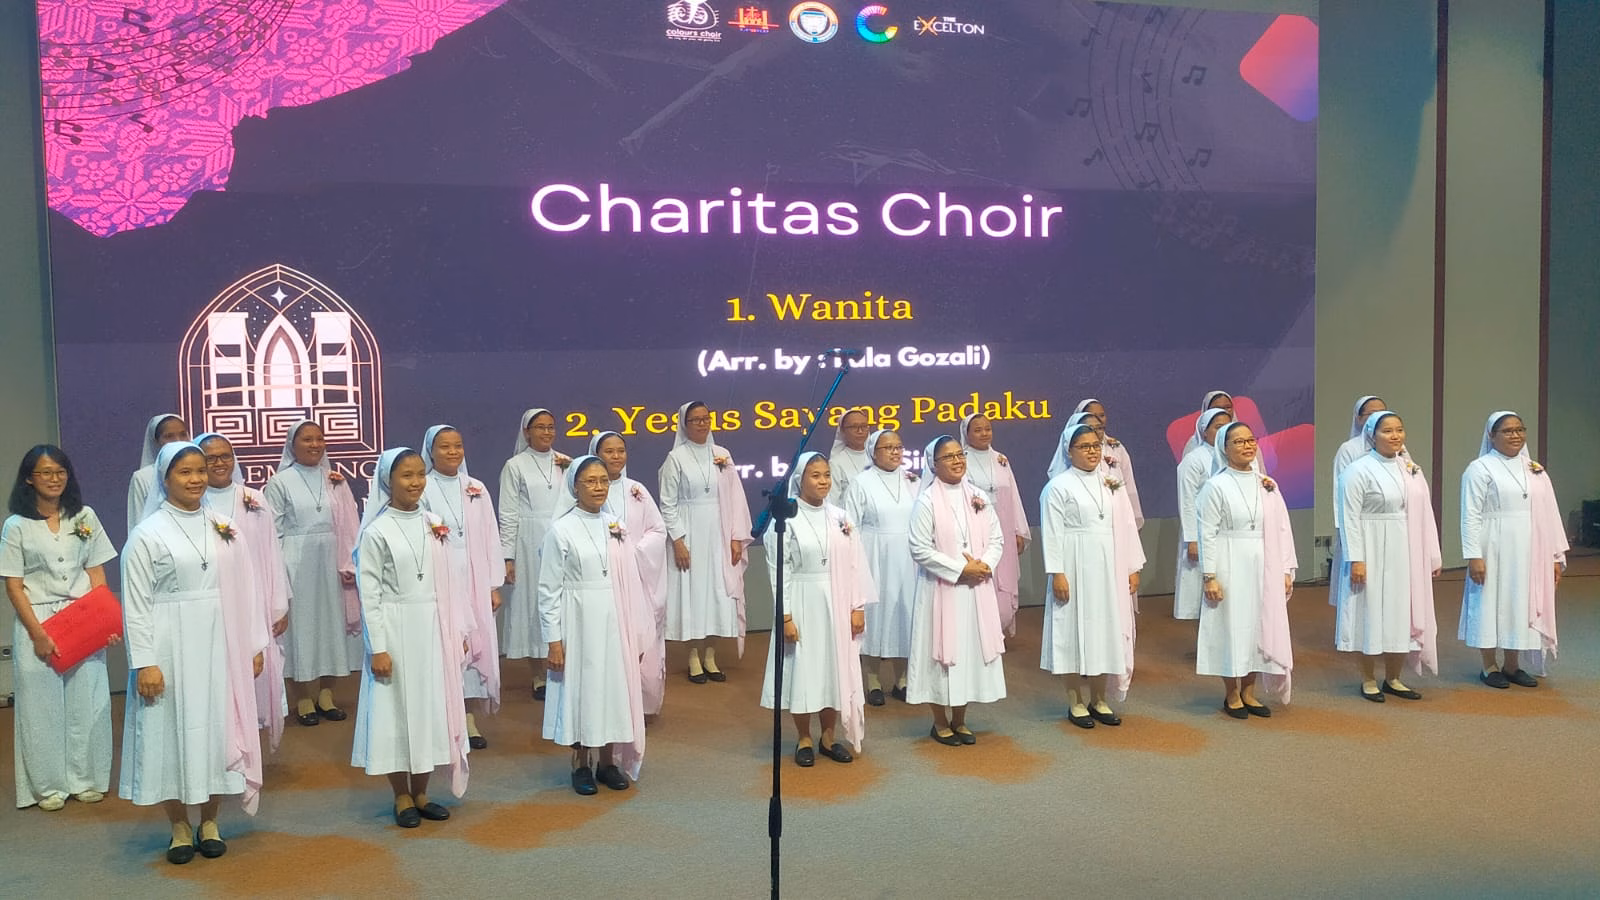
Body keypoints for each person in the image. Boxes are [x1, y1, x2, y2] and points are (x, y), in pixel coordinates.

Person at [120, 442, 266, 864]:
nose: (196, 478)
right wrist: (145, 661)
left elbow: (248, 588)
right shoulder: (147, 534)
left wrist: (253, 644)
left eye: (200, 470)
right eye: (185, 472)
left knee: (217, 727)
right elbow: (136, 604)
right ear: (165, 479)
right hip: (168, 646)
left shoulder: (226, 527)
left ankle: (211, 821)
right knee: (172, 730)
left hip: (220, 644)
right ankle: (180, 826)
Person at [351, 448, 472, 826]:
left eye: (420, 474)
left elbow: (452, 582)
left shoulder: (434, 523)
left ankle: (421, 792)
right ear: (388, 481)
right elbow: (370, 595)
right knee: (396, 711)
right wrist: (378, 647)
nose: (416, 482)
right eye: (406, 475)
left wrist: (458, 630)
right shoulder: (376, 531)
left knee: (429, 708)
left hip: (433, 629)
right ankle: (400, 794)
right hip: (395, 628)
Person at [2, 445, 117, 811]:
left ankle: (87, 778)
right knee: (42, 707)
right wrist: (37, 634)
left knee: (89, 701)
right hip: (38, 621)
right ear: (29, 478)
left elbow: (96, 572)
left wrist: (104, 621)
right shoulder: (16, 525)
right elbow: (14, 586)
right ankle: (49, 785)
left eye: (60, 472)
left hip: (81, 615)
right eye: (45, 472)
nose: (54, 479)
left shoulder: (84, 516)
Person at [538, 457, 649, 795]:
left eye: (603, 481)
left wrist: (636, 633)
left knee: (612, 688)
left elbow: (631, 581)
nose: (599, 487)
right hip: (578, 620)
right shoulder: (561, 530)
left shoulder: (616, 525)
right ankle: (581, 762)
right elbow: (548, 589)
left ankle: (607, 761)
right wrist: (553, 640)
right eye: (590, 481)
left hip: (615, 620)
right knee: (583, 689)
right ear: (575, 486)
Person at [762, 453, 871, 766]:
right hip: (802, 600)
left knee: (833, 670)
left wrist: (857, 606)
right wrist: (785, 616)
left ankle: (828, 737)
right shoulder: (785, 520)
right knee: (804, 671)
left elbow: (855, 565)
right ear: (800, 479)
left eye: (826, 475)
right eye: (815, 475)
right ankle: (804, 738)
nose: (823, 481)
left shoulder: (840, 517)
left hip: (837, 601)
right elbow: (779, 570)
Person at [1040, 424, 1144, 728]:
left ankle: (1099, 699)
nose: (1092, 451)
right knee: (1072, 629)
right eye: (1084, 446)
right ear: (1069, 451)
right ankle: (1075, 701)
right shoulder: (1058, 486)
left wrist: (1132, 567)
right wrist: (1057, 572)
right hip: (1073, 563)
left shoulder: (1112, 483)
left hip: (1109, 566)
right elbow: (1052, 534)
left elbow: (1127, 527)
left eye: (1095, 445)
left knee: (1105, 629)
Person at [907, 435, 1006, 745]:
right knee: (941, 655)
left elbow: (997, 539)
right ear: (933, 465)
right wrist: (960, 569)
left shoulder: (978, 496)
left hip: (975, 589)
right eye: (948, 457)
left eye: (959, 454)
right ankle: (940, 722)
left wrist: (984, 565)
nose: (957, 460)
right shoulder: (926, 501)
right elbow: (919, 548)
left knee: (967, 654)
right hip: (941, 589)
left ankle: (960, 720)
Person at [1336, 412, 1440, 702]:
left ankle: (1394, 678)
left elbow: (1426, 513)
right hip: (1370, 545)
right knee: (1368, 610)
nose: (1395, 436)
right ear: (1372, 435)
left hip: (1404, 547)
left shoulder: (1411, 469)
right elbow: (1349, 518)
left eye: (1399, 430)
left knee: (1401, 610)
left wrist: (1431, 554)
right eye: (1387, 431)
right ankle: (1368, 679)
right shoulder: (1357, 470)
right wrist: (1356, 559)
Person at [1459, 411, 1567, 689]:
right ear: (1491, 435)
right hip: (1493, 545)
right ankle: (1488, 666)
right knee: (1490, 602)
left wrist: (1555, 556)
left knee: (1520, 601)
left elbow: (1551, 514)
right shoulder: (1479, 468)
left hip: (1530, 549)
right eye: (1507, 431)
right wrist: (1474, 555)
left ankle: (1512, 665)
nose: (1516, 435)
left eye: (1520, 429)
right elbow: (1470, 515)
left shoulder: (1535, 469)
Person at [197, 433, 291, 751]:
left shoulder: (254, 498)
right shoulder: (195, 503)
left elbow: (272, 552)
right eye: (210, 458)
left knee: (256, 671)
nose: (219, 463)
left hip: (255, 601)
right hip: (214, 599)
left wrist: (279, 605)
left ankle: (249, 747)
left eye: (225, 456)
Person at [1195, 423, 1296, 718]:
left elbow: (1283, 528)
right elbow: (1207, 533)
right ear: (1224, 448)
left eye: (1251, 440)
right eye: (1239, 442)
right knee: (1231, 625)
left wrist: (1285, 569)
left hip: (1264, 563)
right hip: (1228, 561)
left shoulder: (1267, 484)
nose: (1247, 446)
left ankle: (1250, 692)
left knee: (1257, 625)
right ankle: (1231, 693)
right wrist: (1209, 576)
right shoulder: (1215, 486)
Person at [264, 420, 361, 726]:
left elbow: (350, 524)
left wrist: (350, 562)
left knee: (331, 626)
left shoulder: (335, 480)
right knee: (300, 629)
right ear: (292, 444)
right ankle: (303, 697)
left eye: (319, 438)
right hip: (296, 563)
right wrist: (279, 571)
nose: (315, 444)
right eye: (307, 439)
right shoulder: (279, 482)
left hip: (331, 561)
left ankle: (327, 695)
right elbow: (272, 532)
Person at [422, 425, 504, 749]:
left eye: (457, 445)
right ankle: (444, 719)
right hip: (440, 578)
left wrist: (493, 585)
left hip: (473, 579)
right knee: (447, 645)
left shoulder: (476, 488)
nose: (453, 451)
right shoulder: (422, 486)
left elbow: (490, 536)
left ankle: (468, 719)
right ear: (430, 451)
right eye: (445, 446)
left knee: (473, 645)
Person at [659, 401, 753, 683]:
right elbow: (667, 503)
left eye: (706, 418)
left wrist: (736, 537)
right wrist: (678, 540)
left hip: (720, 534)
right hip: (689, 534)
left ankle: (710, 656)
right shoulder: (675, 458)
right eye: (695, 419)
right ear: (684, 425)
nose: (702, 423)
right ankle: (693, 658)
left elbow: (736, 498)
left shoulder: (722, 454)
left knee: (719, 595)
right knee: (693, 595)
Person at [590, 431, 670, 716]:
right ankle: (612, 709)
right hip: (604, 581)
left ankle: (642, 705)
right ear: (596, 455)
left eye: (620, 451)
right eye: (609, 451)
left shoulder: (637, 490)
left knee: (643, 640)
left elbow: (657, 530)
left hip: (638, 577)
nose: (616, 456)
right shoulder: (587, 493)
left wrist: (634, 551)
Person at [498, 408, 572, 700]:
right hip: (529, 542)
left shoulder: (566, 462)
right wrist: (508, 556)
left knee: (562, 601)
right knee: (534, 600)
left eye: (551, 426)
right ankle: (539, 674)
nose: (546, 432)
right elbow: (508, 513)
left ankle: (563, 664)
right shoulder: (514, 465)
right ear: (527, 432)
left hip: (563, 539)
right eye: (540, 427)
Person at [845, 429, 918, 705]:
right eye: (888, 448)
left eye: (899, 446)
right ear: (873, 452)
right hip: (873, 556)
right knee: (875, 617)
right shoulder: (861, 482)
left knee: (905, 615)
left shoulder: (913, 480)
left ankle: (903, 680)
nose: (895, 452)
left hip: (908, 558)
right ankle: (873, 681)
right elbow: (850, 524)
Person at [959, 413, 1031, 636]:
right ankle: (979, 633)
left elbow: (1013, 496)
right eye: (977, 430)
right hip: (976, 531)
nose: (984, 433)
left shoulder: (1001, 459)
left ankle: (998, 630)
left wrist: (1018, 530)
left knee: (1004, 581)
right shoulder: (960, 460)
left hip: (1003, 528)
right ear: (966, 434)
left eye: (987, 429)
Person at [1174, 409, 1233, 620]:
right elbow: (1187, 501)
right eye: (1218, 427)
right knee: (1200, 587)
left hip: (1226, 530)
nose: (1223, 431)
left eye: (1227, 426)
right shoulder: (1193, 460)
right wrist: (1192, 538)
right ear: (1204, 431)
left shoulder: (1232, 457)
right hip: (1201, 529)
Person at [1330, 395, 1389, 591]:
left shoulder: (1397, 449)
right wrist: (1343, 530)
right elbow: (1340, 493)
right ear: (1358, 418)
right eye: (1372, 414)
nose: (1377, 418)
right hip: (1359, 522)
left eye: (1382, 413)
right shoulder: (1349, 449)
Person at [1074, 398, 1144, 527]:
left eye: (1101, 415)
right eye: (1093, 416)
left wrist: (1135, 519)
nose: (1098, 420)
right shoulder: (1073, 450)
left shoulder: (1116, 447)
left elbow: (1129, 484)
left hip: (1118, 517)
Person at [125, 414, 189, 535]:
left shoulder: (200, 472)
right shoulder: (142, 477)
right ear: (156, 442)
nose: (178, 440)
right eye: (169, 436)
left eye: (183, 434)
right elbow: (136, 521)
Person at [826, 409, 874, 503]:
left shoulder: (876, 457)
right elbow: (832, 500)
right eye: (854, 427)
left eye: (864, 426)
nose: (860, 431)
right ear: (843, 431)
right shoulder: (835, 463)